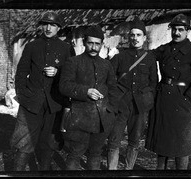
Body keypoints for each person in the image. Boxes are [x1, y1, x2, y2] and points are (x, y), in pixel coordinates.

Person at [145, 13, 191, 170]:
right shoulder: (165, 49)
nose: (176, 33)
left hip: (181, 102)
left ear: (188, 31)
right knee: (162, 142)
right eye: (174, 29)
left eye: (181, 30)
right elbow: (147, 56)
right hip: (162, 100)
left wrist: (189, 96)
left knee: (181, 145)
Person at [10, 11, 70, 171]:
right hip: (31, 103)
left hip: (54, 104)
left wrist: (58, 72)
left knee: (48, 144)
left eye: (53, 25)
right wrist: (22, 95)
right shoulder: (31, 46)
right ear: (42, 26)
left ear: (59, 28)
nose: (49, 28)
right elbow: (21, 73)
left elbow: (72, 75)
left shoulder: (66, 48)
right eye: (46, 24)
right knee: (24, 143)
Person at [59, 25, 119, 170]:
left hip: (102, 120)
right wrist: (85, 91)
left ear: (102, 45)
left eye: (97, 44)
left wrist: (111, 111)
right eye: (90, 43)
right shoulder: (73, 62)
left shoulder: (106, 65)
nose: (93, 47)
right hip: (80, 118)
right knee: (75, 154)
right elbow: (64, 86)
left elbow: (113, 89)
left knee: (95, 154)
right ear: (85, 42)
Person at [107, 18, 158, 170]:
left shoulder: (150, 58)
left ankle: (128, 170)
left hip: (139, 106)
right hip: (120, 105)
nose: (135, 38)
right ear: (129, 37)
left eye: (139, 35)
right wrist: (115, 96)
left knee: (134, 142)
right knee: (113, 140)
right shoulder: (119, 57)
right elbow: (109, 78)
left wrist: (147, 100)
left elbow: (153, 83)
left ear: (144, 38)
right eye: (133, 35)